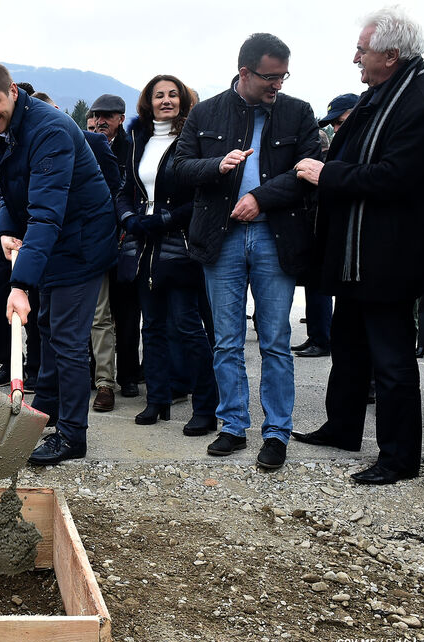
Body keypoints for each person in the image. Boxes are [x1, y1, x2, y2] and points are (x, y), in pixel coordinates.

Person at [293, 7, 424, 485]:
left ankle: (399, 458)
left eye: (362, 51)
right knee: (349, 346)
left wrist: (327, 174)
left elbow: (395, 177)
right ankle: (343, 427)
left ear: (391, 54)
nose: (355, 58)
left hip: (391, 257)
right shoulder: (383, 94)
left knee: (391, 360)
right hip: (357, 253)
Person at [176, 33, 320, 470]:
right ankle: (234, 426)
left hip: (276, 238)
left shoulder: (299, 112)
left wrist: (260, 197)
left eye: (283, 76)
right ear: (245, 72)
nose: (278, 84)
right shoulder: (205, 112)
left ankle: (276, 433)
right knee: (226, 340)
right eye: (270, 77)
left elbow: (309, 172)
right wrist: (215, 165)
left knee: (275, 340)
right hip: (221, 240)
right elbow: (179, 168)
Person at [0, 62, 117, 465]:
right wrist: (4, 230)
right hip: (54, 242)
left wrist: (19, 285)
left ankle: (72, 435)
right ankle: (46, 409)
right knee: (48, 327)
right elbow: (13, 190)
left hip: (80, 243)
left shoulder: (49, 131)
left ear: (13, 91)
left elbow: (47, 213)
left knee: (67, 339)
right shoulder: (10, 129)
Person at [116, 75, 218, 436]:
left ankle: (206, 408)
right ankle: (157, 400)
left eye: (173, 94)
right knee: (152, 327)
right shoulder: (137, 139)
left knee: (188, 328)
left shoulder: (193, 138)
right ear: (148, 102)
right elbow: (125, 189)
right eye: (159, 95)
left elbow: (202, 195)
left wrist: (167, 219)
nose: (166, 100)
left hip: (179, 245)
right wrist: (128, 217)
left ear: (183, 101)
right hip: (142, 246)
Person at [291, 93, 358, 359]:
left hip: (349, 238)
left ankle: (323, 339)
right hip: (322, 230)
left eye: (341, 122)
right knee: (315, 284)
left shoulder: (361, 151)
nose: (337, 129)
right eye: (334, 124)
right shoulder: (337, 151)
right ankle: (318, 336)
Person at [87, 93, 141, 410]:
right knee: (99, 315)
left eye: (108, 116)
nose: (101, 121)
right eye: (97, 115)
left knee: (128, 312)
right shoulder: (88, 145)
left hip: (125, 240)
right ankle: (102, 379)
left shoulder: (132, 148)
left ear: (121, 118)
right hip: (95, 240)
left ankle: (130, 375)